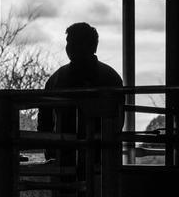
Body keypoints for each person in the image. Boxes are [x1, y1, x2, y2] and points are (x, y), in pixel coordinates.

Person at [37, 22, 123, 160]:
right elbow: (118, 122)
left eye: (73, 42)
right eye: (69, 42)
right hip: (101, 155)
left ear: (90, 46)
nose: (69, 47)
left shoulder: (57, 79)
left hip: (66, 155)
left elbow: (44, 122)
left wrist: (50, 149)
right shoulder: (111, 77)